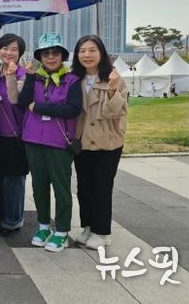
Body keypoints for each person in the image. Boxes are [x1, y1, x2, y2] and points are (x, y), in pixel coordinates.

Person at [19, 33, 82, 253]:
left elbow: (73, 109)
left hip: (59, 143)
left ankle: (62, 231)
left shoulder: (72, 80)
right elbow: (23, 102)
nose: (51, 57)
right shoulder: (35, 78)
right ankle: (44, 226)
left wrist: (40, 108)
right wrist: (29, 77)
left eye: (55, 52)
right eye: (46, 53)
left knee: (61, 188)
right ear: (40, 57)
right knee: (39, 187)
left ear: (62, 56)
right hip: (33, 139)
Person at [71, 35, 128, 249]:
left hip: (107, 142)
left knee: (102, 187)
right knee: (84, 187)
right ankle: (88, 226)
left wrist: (112, 89)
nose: (87, 55)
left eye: (92, 50)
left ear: (101, 53)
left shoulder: (114, 77)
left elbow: (115, 112)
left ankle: (102, 232)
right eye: (82, 51)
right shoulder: (74, 78)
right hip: (82, 141)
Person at [0, 34, 28, 236]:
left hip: (16, 134)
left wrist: (11, 77)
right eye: (5, 48)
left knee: (13, 180)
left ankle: (12, 220)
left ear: (20, 53)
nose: (9, 52)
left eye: (14, 49)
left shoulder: (24, 76)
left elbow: (16, 100)